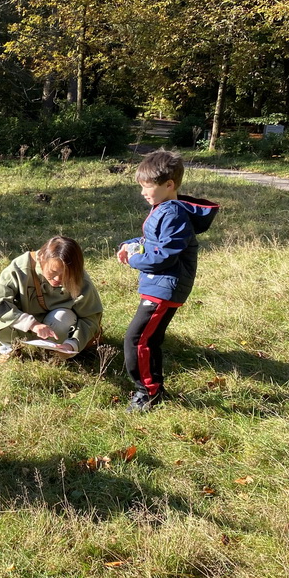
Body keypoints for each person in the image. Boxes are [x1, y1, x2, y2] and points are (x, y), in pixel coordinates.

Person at [117, 149, 219, 412]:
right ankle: (153, 388)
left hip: (165, 287)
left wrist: (133, 260)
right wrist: (131, 245)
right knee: (149, 341)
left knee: (136, 339)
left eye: (147, 186)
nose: (143, 192)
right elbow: (153, 242)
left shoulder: (173, 213)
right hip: (159, 285)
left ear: (169, 184)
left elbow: (164, 256)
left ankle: (147, 393)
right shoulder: (164, 209)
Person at [0, 236, 103, 360]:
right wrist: (31, 324)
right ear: (42, 259)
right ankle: (11, 348)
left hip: (56, 328)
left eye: (65, 275)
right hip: (21, 324)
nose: (58, 279)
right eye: (53, 272)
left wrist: (72, 344)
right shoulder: (20, 267)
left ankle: (53, 353)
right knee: (0, 316)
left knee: (63, 316)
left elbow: (90, 318)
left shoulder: (81, 280)